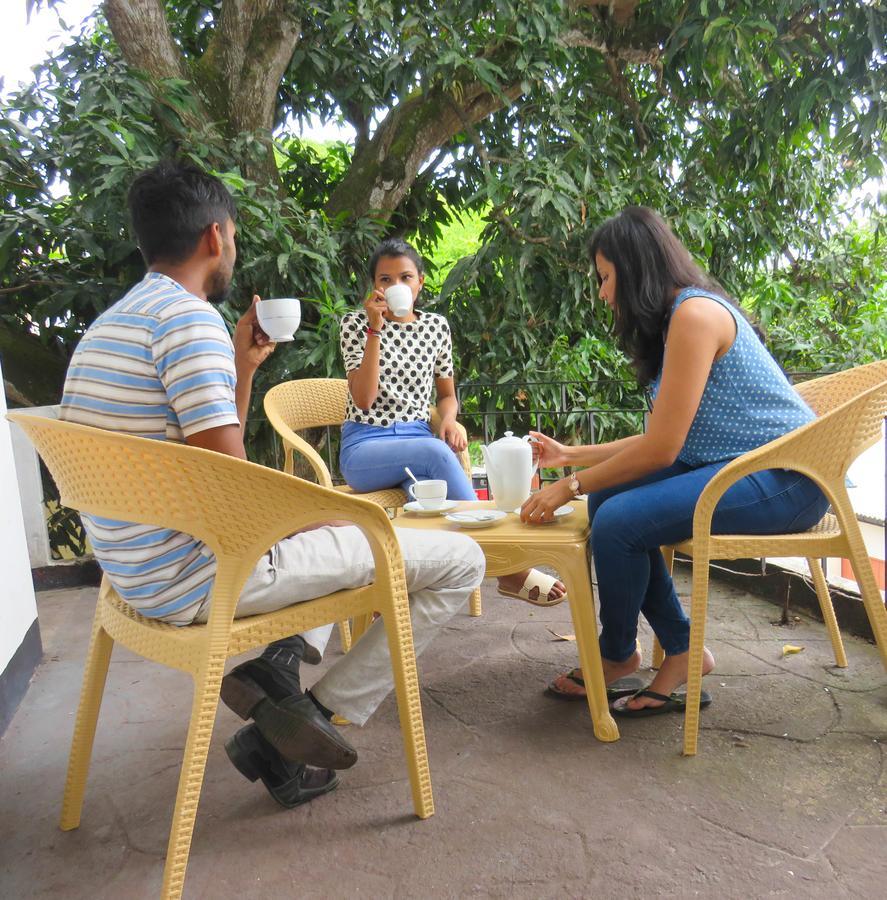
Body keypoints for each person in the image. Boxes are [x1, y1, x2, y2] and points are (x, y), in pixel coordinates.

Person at [60, 160, 485, 808]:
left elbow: (199, 453)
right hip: (206, 577)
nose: (231, 248)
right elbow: (236, 496)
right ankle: (300, 721)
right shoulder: (186, 320)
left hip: (134, 577)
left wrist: (241, 366)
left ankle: (276, 678)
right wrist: (323, 517)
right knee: (459, 559)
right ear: (213, 237)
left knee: (337, 531)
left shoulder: (107, 328)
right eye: (231, 236)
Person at [519, 206, 829, 715]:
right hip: (738, 465)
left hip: (790, 480)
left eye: (605, 277)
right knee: (609, 498)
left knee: (617, 522)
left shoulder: (695, 315)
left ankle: (620, 654)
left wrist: (567, 485)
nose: (602, 293)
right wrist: (571, 457)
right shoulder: (676, 319)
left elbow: (661, 450)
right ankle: (678, 648)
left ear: (633, 267)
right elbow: (661, 438)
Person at [338, 238, 566, 607]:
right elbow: (363, 398)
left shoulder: (436, 327)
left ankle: (406, 591)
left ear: (420, 282)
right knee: (433, 452)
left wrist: (449, 420)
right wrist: (374, 329)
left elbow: (446, 394)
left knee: (430, 502)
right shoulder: (355, 324)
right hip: (366, 446)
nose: (396, 286)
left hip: (415, 446)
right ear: (374, 286)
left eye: (405, 277)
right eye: (385, 279)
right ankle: (508, 568)